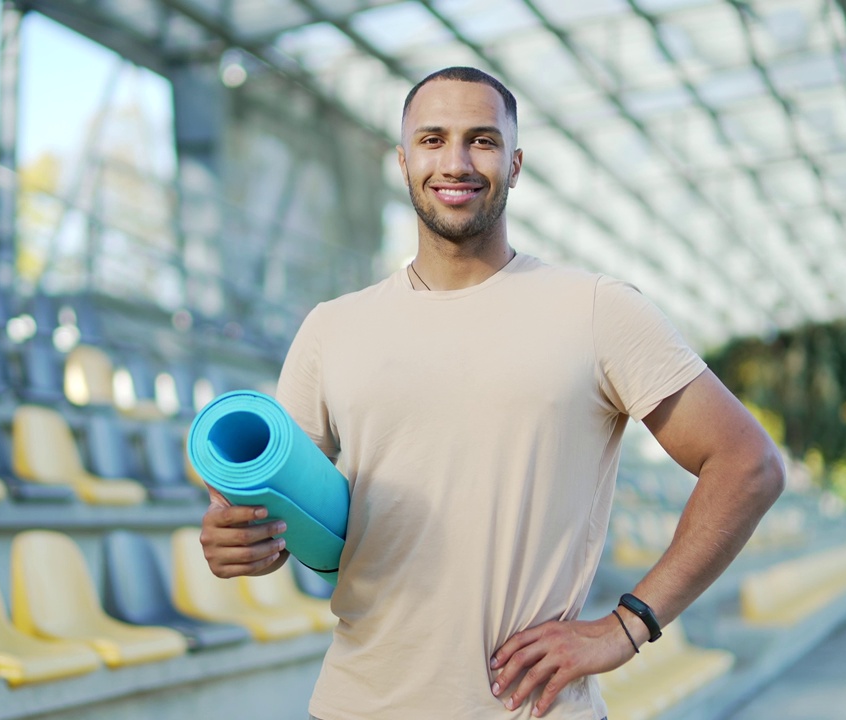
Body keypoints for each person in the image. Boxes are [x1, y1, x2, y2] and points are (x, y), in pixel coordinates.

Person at [199, 66, 785, 719]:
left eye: (482, 140)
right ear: (402, 160)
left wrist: (627, 626)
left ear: (516, 162)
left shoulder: (596, 310)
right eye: (432, 139)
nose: (456, 162)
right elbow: (285, 517)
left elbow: (748, 464)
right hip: (357, 704)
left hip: (529, 709)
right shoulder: (331, 329)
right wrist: (238, 542)